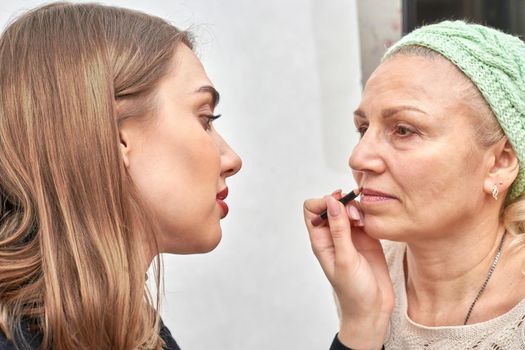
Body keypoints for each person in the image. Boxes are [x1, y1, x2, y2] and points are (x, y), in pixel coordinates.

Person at [0, 2, 241, 349]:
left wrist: (351, 320)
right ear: (116, 136)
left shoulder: (137, 330)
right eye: (205, 119)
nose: (232, 159)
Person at [304, 20, 525, 349]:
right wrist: (361, 321)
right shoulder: (370, 273)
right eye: (363, 128)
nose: (358, 157)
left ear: (500, 163)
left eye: (403, 130)